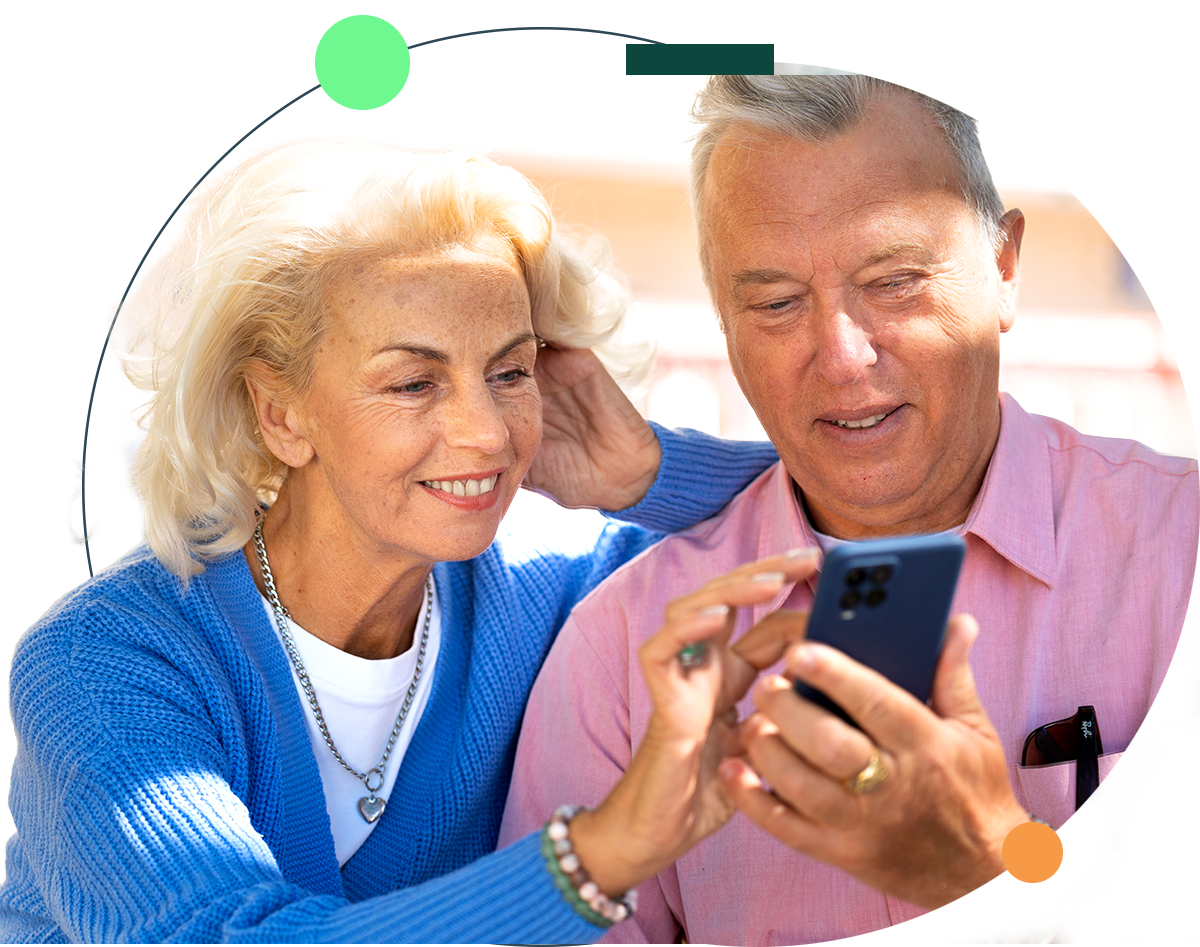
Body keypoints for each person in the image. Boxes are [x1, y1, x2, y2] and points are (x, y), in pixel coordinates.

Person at [0, 136, 799, 943]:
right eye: (414, 383)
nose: (486, 433)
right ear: (281, 414)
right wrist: (602, 852)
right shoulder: (103, 661)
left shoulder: (548, 585)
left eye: (509, 372)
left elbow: (857, 513)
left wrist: (648, 473)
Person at [500, 75, 1200, 944]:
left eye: (895, 280)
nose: (841, 355)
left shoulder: (1184, 551)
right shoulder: (626, 650)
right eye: (775, 303)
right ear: (724, 317)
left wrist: (1007, 870)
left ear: (1005, 267)